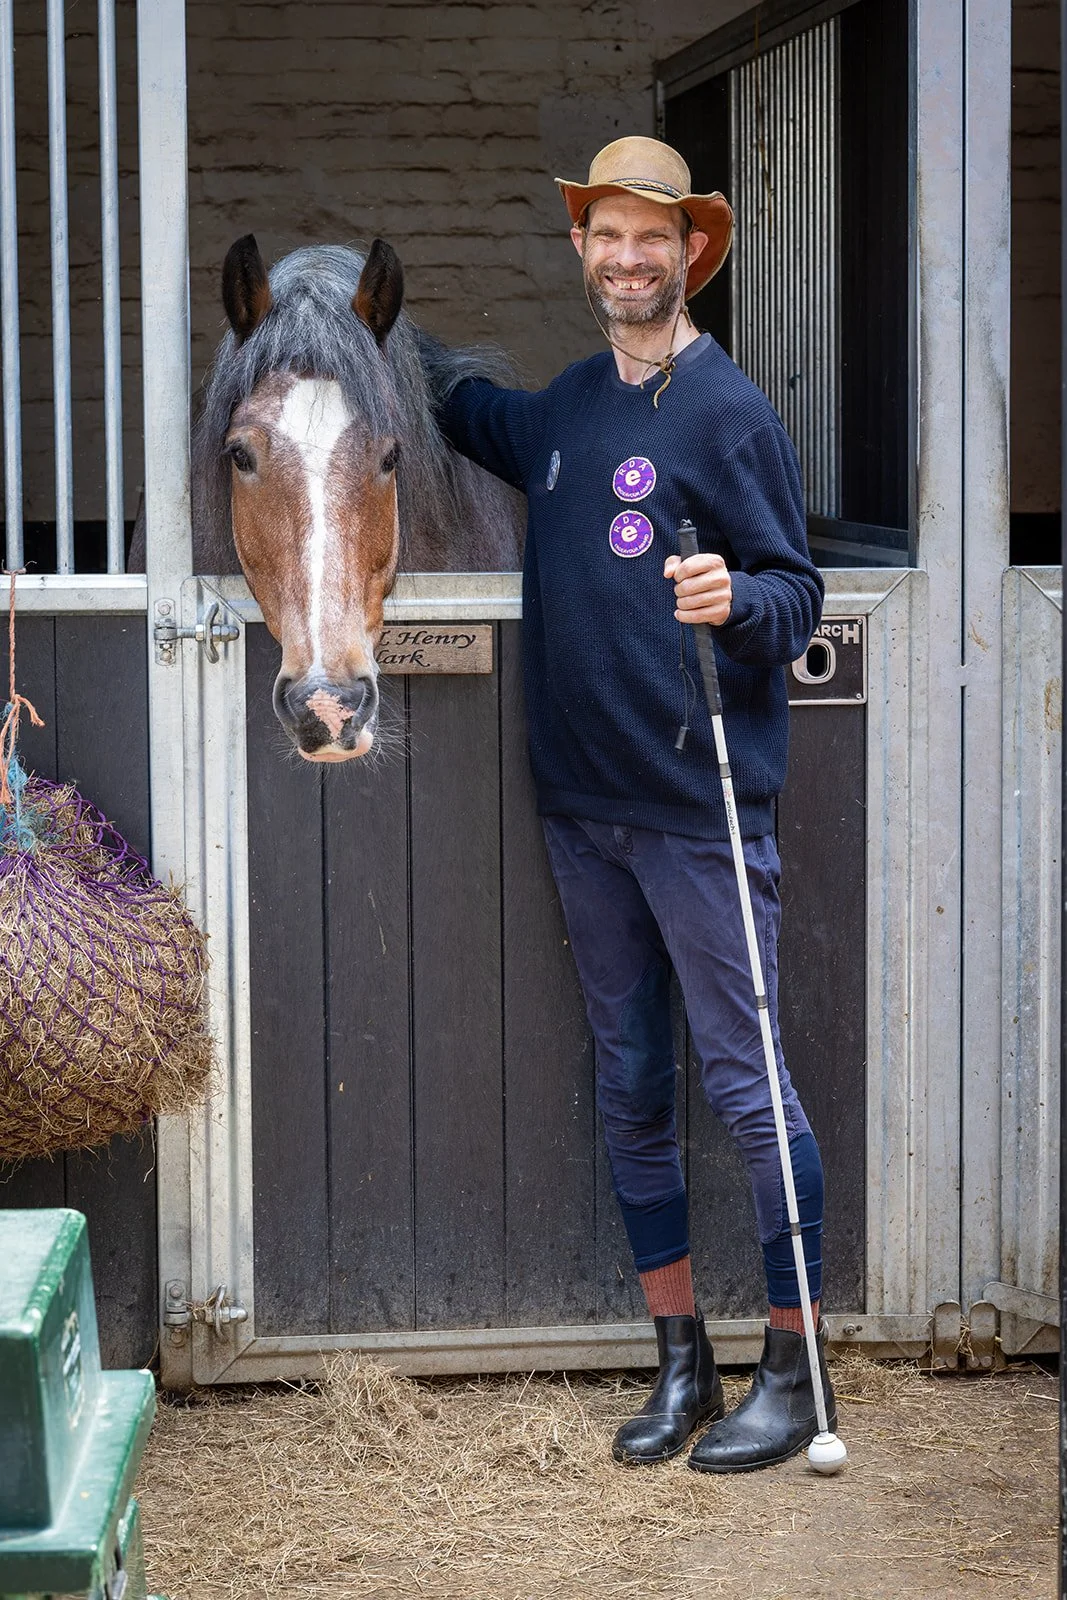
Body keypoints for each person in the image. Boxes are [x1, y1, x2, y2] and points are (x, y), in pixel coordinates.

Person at [435, 136, 834, 1473]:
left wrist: (740, 601)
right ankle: (682, 1362)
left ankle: (792, 1366)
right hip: (580, 810)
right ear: (581, 254)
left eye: (649, 239)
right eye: (604, 237)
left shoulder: (729, 413)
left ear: (689, 254)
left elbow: (797, 596)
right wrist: (354, 318)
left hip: (694, 807)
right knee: (630, 1085)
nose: (625, 258)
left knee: (744, 1085)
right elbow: (458, 403)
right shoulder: (559, 413)